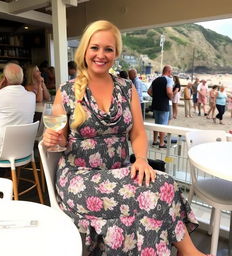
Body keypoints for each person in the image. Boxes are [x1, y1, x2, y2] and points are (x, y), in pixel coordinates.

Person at [42, 20, 212, 256]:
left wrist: (141, 159)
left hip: (120, 171)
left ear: (116, 53)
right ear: (85, 50)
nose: (101, 55)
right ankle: (189, 252)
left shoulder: (126, 87)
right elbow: (59, 138)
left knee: (160, 186)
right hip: (79, 177)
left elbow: (138, 132)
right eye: (95, 47)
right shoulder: (67, 90)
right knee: (160, 186)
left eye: (108, 49)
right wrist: (54, 140)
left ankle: (185, 252)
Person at [0, 63, 36, 162]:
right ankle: (7, 173)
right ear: (22, 78)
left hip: (0, 150)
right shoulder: (31, 96)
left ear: (5, 78)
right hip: (23, 148)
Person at [147, 65, 173, 148]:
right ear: (169, 71)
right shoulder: (169, 80)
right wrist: (171, 97)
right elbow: (169, 92)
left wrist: (156, 97)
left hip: (155, 104)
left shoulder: (155, 80)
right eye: (171, 71)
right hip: (164, 105)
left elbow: (149, 91)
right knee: (163, 125)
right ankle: (161, 143)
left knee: (156, 124)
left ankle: (155, 141)